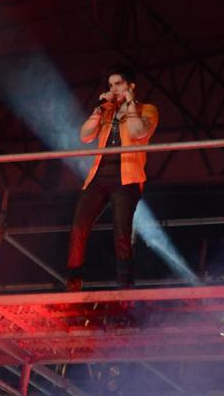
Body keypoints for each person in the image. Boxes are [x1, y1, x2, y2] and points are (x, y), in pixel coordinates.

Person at [66, 65, 159, 291]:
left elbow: (138, 132)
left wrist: (129, 103)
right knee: (78, 227)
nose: (113, 89)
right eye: (110, 85)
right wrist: (99, 109)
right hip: (98, 179)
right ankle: (73, 281)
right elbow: (85, 136)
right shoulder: (106, 111)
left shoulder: (147, 109)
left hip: (126, 180)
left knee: (121, 233)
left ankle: (124, 285)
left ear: (131, 86)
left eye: (118, 84)